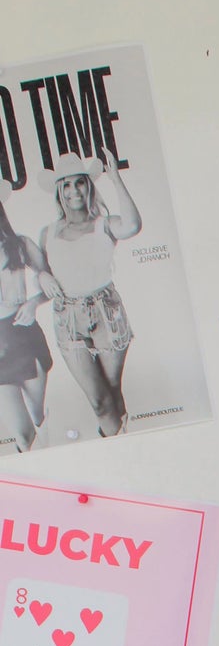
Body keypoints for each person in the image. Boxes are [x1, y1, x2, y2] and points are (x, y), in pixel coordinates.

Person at [37, 149, 141, 438]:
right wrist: (42, 275)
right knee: (99, 401)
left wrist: (115, 178)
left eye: (80, 183)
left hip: (106, 312)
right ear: (59, 192)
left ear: (89, 186)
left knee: (111, 392)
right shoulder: (48, 232)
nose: (74, 191)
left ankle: (119, 442)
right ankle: (120, 439)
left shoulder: (103, 224)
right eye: (67, 185)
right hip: (68, 318)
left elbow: (133, 226)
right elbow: (39, 270)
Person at [0, 184, 55, 453]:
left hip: (23, 336)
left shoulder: (20, 244)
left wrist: (34, 302)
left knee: (38, 419)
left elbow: (53, 283)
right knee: (22, 436)